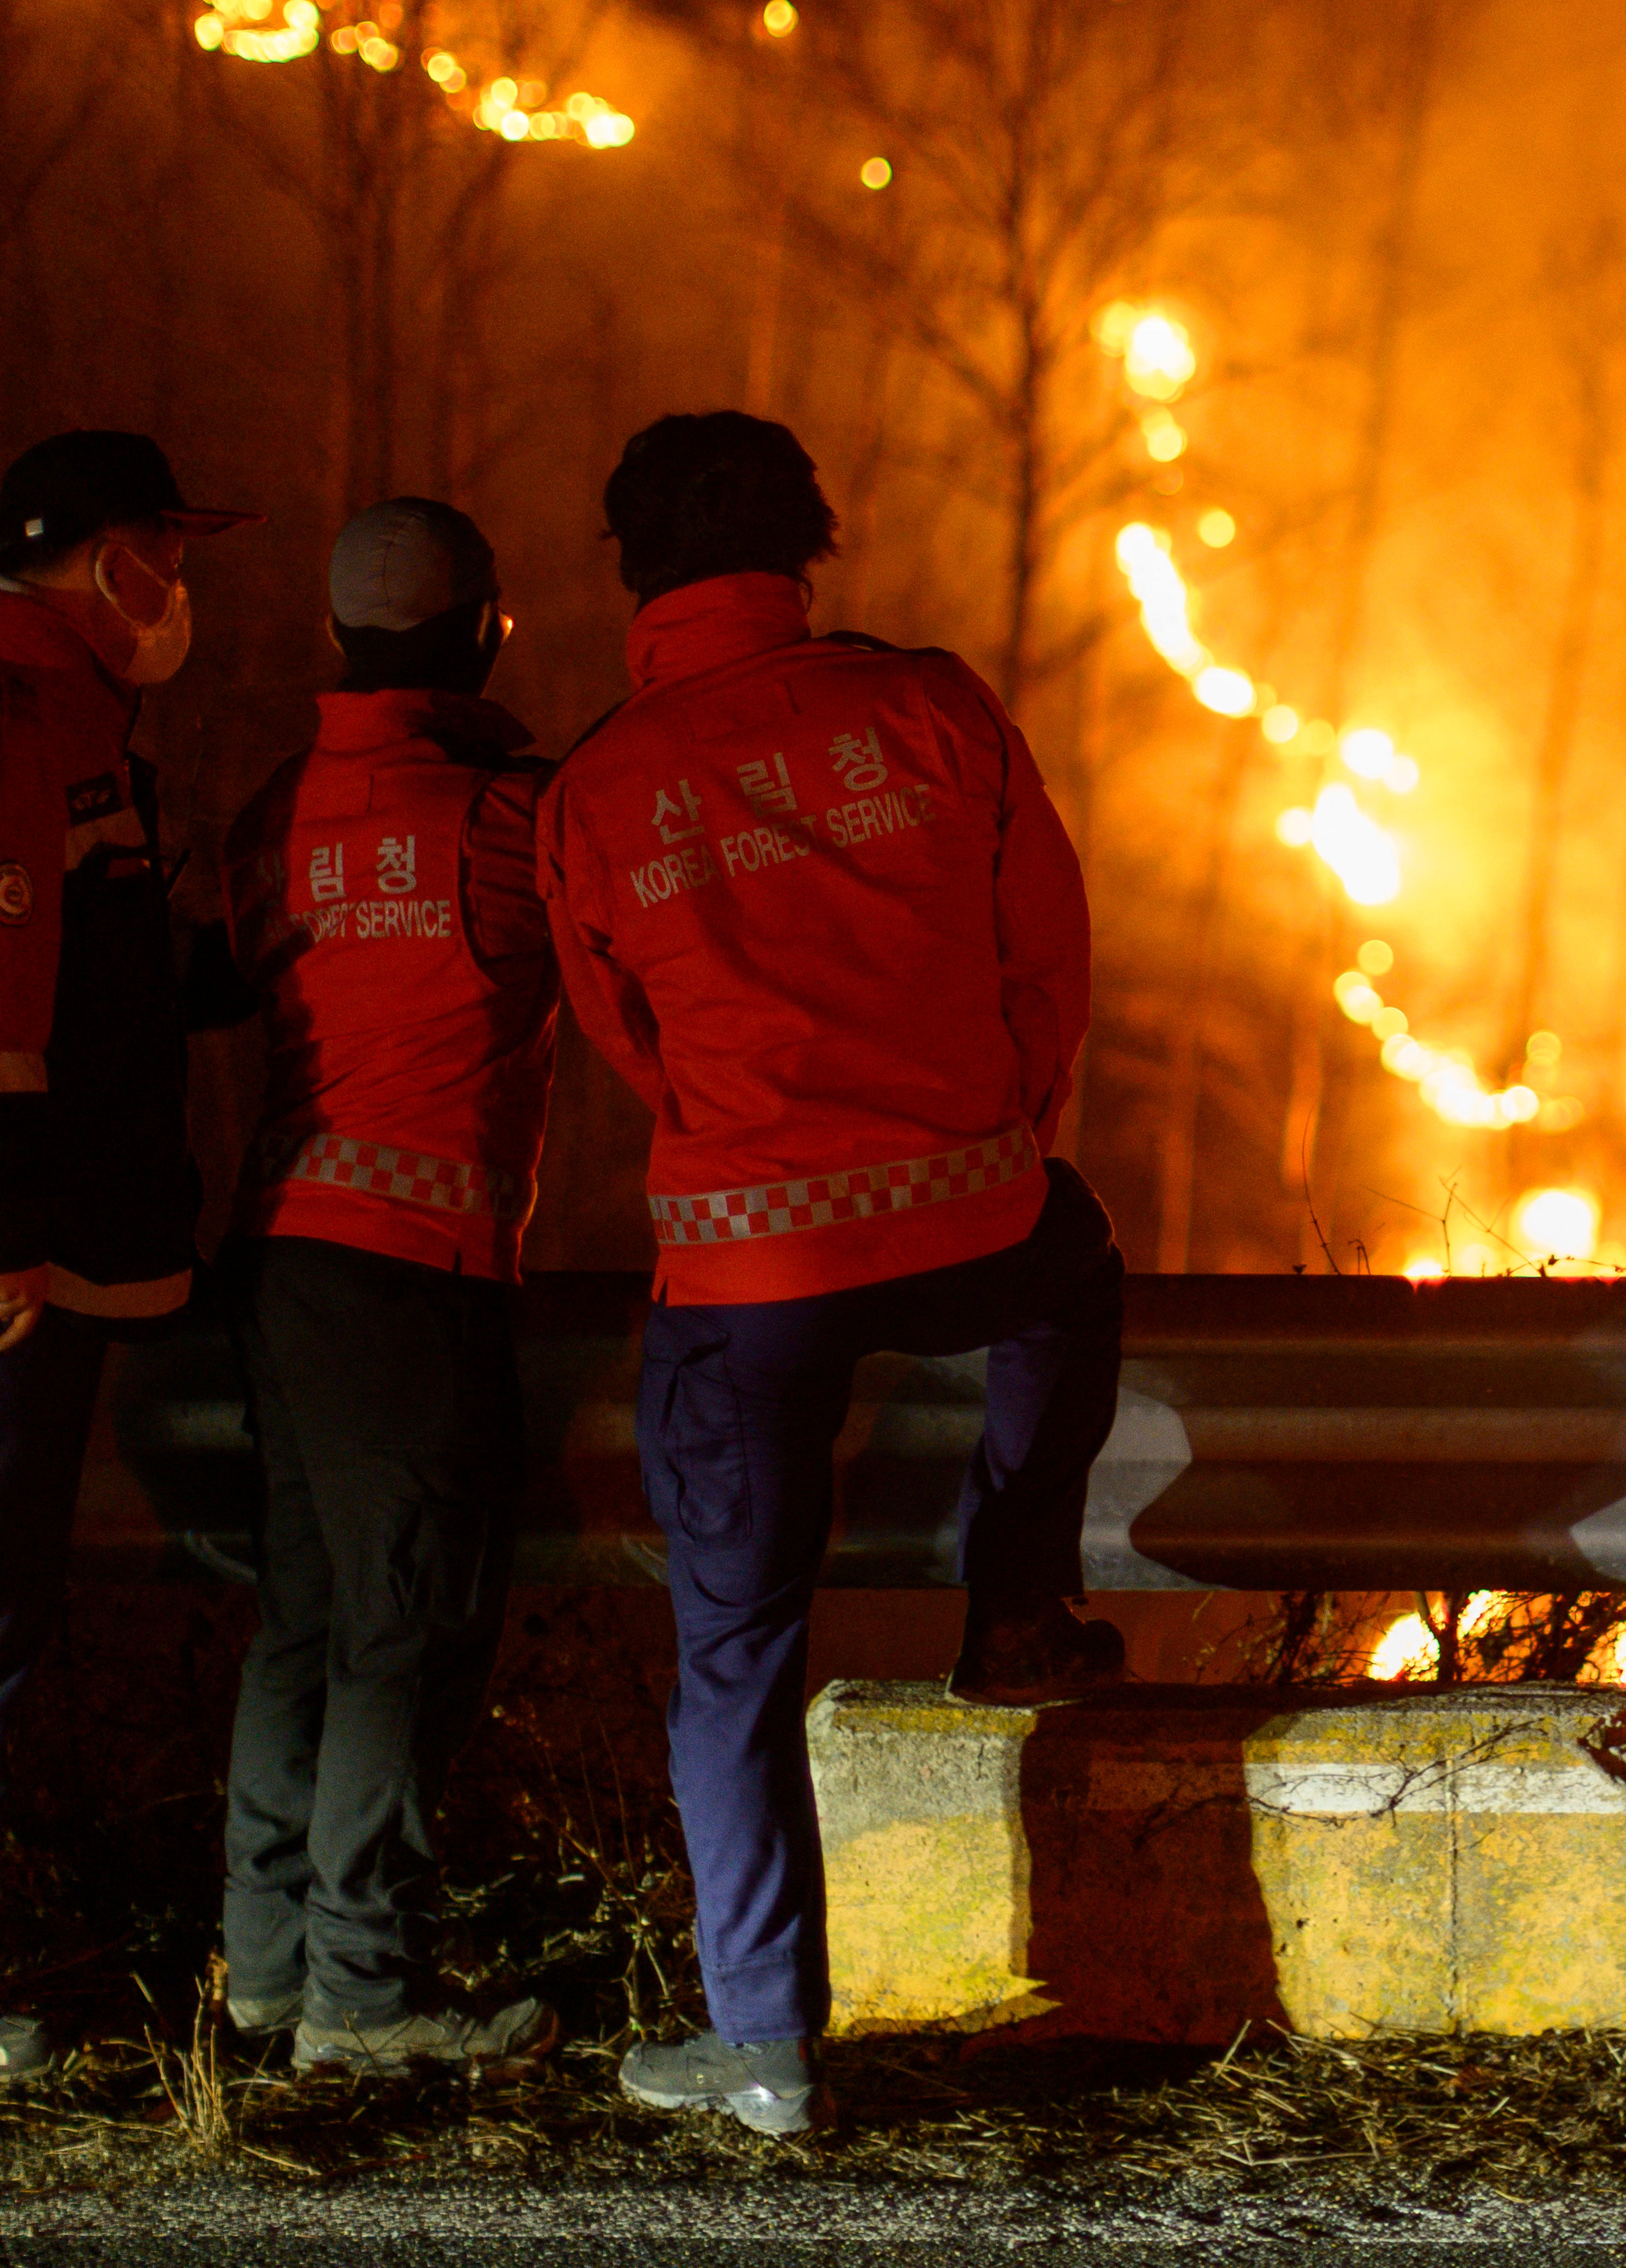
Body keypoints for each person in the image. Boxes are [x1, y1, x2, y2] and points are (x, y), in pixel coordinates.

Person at [538, 412, 1125, 2137]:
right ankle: (1015, 1605)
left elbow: (621, 1039)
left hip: (748, 1267)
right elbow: (1050, 946)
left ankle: (767, 2044)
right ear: (811, 547)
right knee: (1068, 1270)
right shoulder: (928, 704)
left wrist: (755, 1155)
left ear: (632, 573)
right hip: (970, 1214)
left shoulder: (594, 789)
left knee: (733, 1652)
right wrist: (996, 1129)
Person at [0, 430, 251, 2083]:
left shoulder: (60, 728)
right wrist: (1, 1234)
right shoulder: (6, 731)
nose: (182, 589)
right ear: (102, 564)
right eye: (167, 550)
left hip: (20, 1259)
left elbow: (87, 982)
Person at [206, 499, 562, 2075]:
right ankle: (363, 1991)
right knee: (405, 1627)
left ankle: (268, 1966)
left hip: (282, 1262)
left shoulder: (271, 816)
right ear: (484, 628)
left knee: (305, 1616)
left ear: (337, 640)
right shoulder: (503, 826)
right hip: (415, 1273)